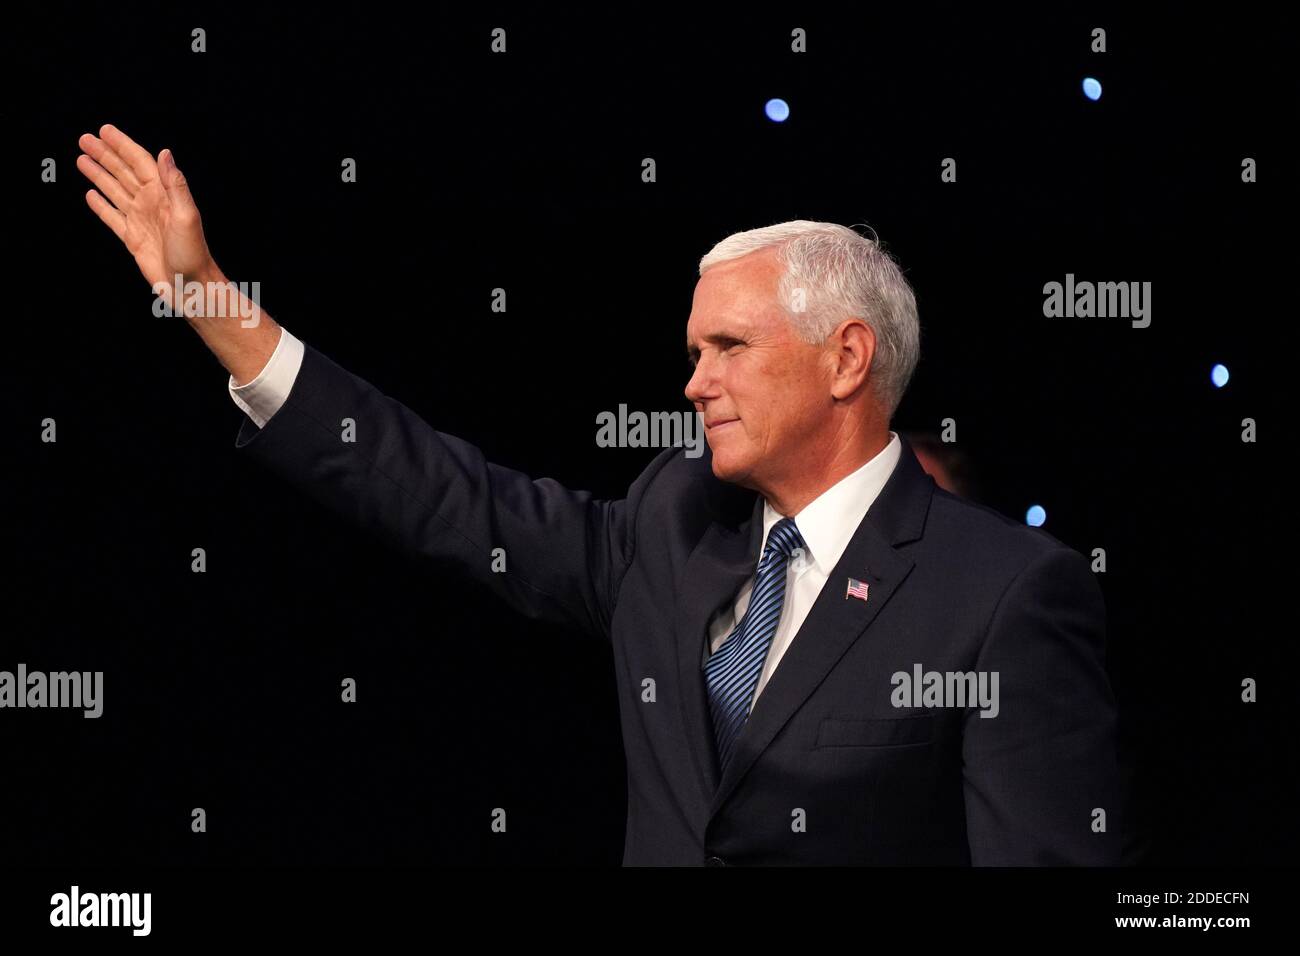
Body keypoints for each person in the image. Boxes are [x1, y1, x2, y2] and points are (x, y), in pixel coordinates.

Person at [78, 124, 1127, 866]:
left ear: (845, 357)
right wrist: (211, 298)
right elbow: (446, 496)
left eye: (728, 347)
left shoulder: (1005, 595)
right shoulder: (671, 524)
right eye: (691, 348)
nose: (693, 380)